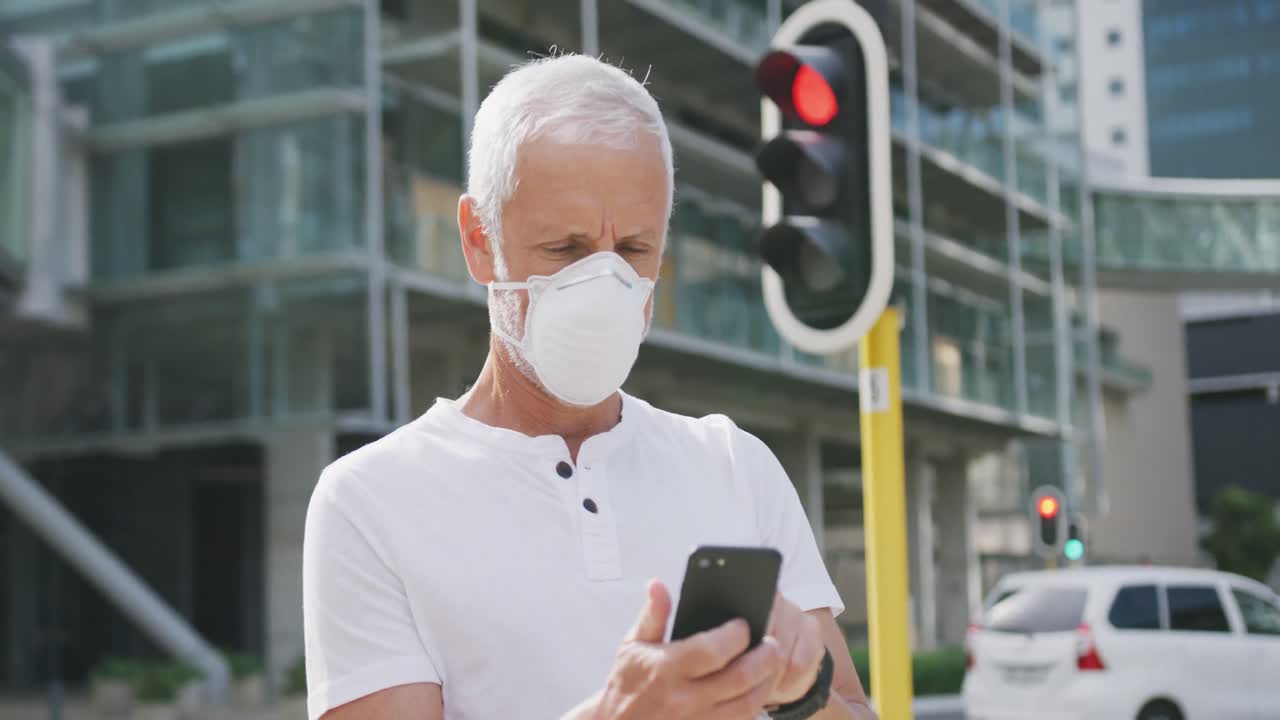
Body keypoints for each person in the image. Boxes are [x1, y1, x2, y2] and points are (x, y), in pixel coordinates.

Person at [302, 53, 876, 720]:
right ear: (479, 240)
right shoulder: (370, 503)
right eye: (565, 250)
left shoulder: (733, 465)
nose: (604, 286)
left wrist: (802, 691)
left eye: (633, 249)